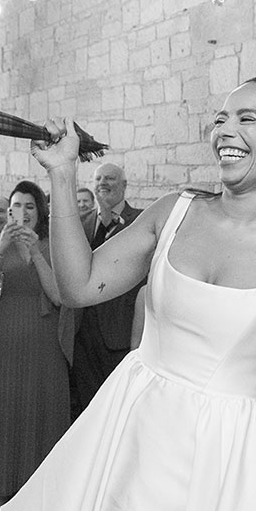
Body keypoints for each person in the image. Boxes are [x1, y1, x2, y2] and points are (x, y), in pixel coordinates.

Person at [3, 77, 256, 511]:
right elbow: (78, 286)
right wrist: (62, 173)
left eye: (247, 119)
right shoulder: (174, 211)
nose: (225, 131)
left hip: (230, 454)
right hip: (132, 429)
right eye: (221, 119)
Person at [0, 181, 72, 511]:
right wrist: (1, 249)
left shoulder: (51, 244)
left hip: (42, 346)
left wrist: (36, 255)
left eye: (29, 206)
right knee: (1, 419)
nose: (21, 212)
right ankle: (0, 510)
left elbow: (59, 296)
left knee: (37, 419)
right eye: (16, 206)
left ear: (40, 211)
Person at [72, 162, 144, 414]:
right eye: (98, 178)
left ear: (124, 185)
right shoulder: (80, 223)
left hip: (121, 330)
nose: (103, 183)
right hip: (81, 332)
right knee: (86, 408)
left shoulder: (141, 222)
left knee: (119, 408)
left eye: (111, 178)